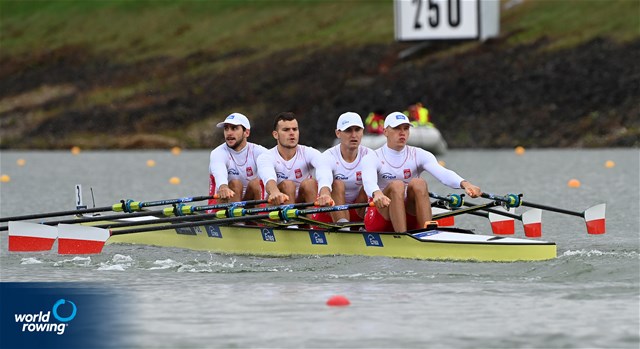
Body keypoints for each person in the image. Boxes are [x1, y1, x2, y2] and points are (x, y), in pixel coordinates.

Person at [361, 112, 481, 232]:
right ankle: (402, 237)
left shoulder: (419, 154)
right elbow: (368, 181)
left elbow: (443, 173)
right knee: (397, 185)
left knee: (419, 183)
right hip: (380, 218)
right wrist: (376, 193)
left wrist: (465, 184)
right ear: (385, 131)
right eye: (397, 128)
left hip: (409, 216)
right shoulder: (372, 157)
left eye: (406, 128)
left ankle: (428, 232)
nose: (402, 132)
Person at [256, 112, 333, 207]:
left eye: (295, 129)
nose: (292, 133)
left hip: (301, 202)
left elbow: (324, 168)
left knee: (310, 183)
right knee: (288, 185)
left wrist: (325, 192)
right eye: (286, 130)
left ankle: (312, 220)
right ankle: (290, 220)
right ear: (275, 135)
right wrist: (275, 192)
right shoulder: (266, 156)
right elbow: (268, 178)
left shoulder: (309, 152)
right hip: (275, 204)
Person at [311, 112, 372, 226]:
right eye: (348, 130)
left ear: (362, 132)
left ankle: (365, 226)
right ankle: (343, 228)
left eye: (357, 130)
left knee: (370, 185)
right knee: (337, 184)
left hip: (357, 211)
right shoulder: (328, 156)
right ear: (338, 133)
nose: (354, 135)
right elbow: (324, 178)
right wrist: (324, 193)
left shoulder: (370, 155)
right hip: (330, 213)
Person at [208, 112, 268, 205]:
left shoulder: (260, 152)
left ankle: (257, 215)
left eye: (234, 128)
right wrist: (223, 186)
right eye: (226, 129)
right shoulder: (218, 153)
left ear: (246, 133)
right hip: (221, 204)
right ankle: (237, 218)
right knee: (235, 184)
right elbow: (220, 173)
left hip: (249, 202)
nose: (229, 133)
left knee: (256, 183)